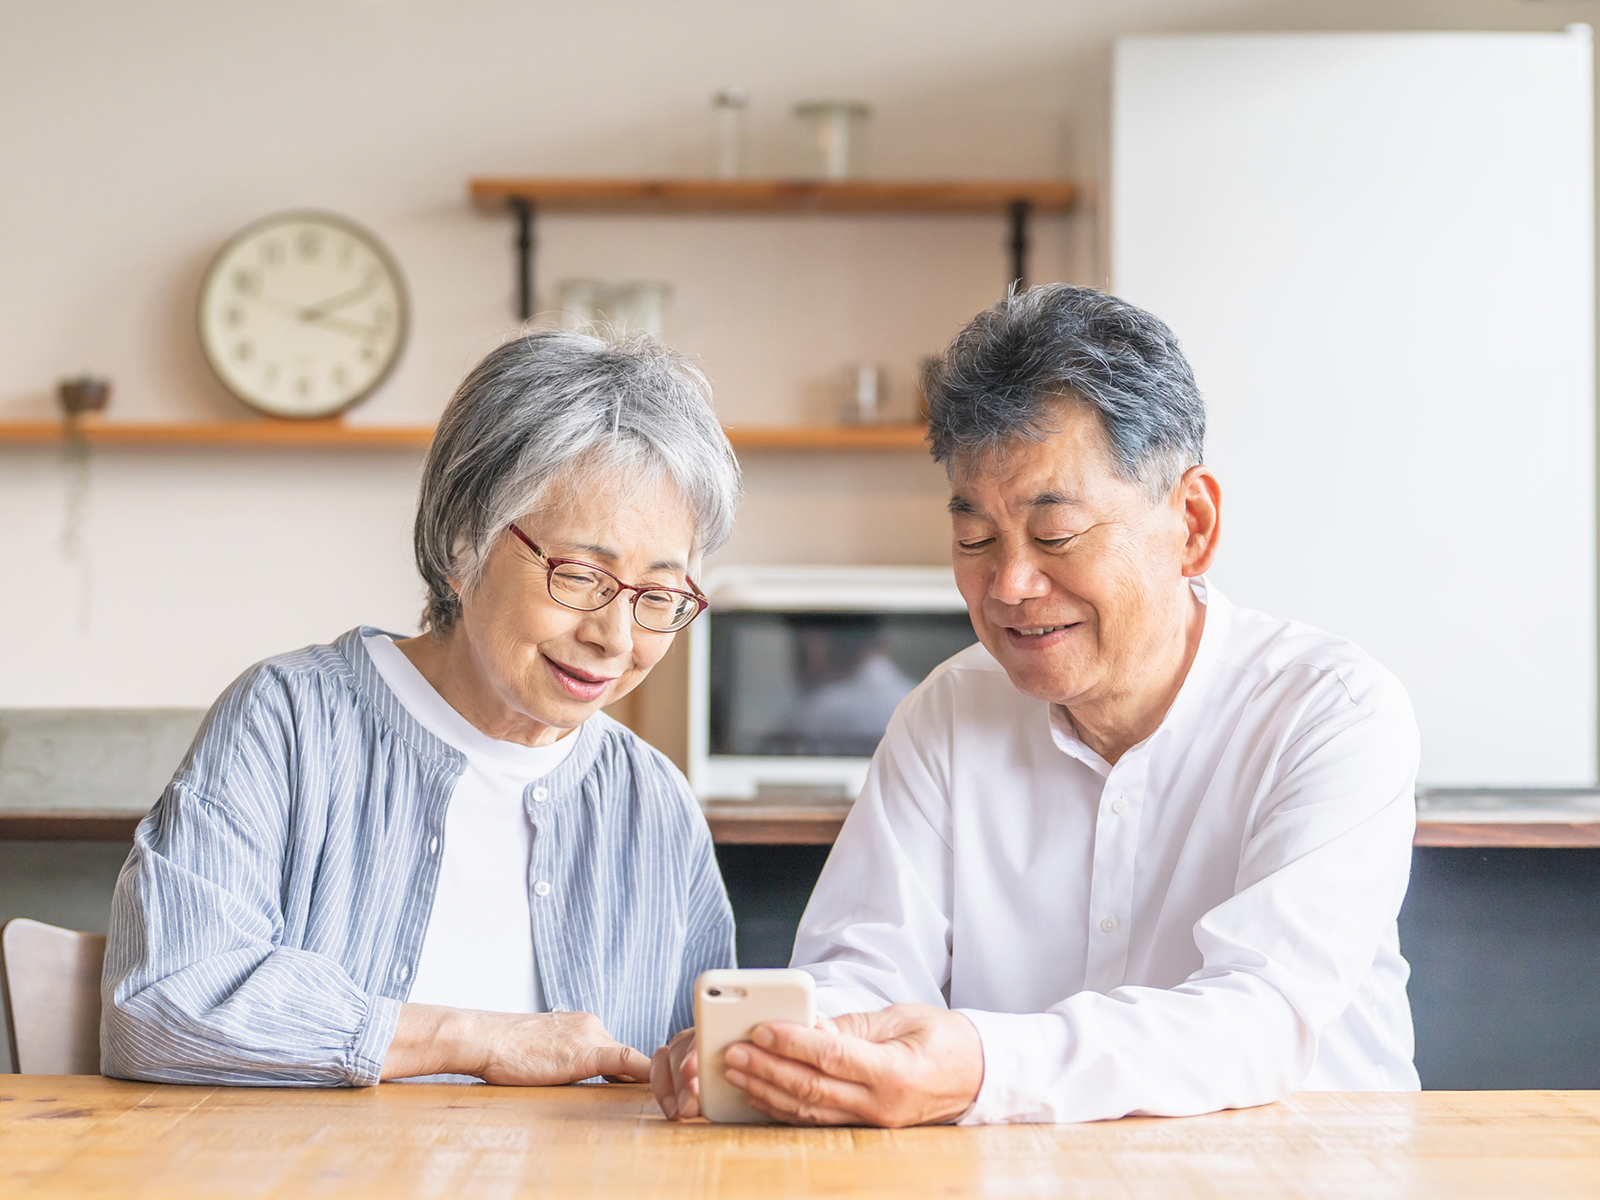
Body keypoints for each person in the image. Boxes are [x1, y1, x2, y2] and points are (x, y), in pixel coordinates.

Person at [653, 284, 1419, 1125]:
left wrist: (982, 1066)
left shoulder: (1330, 713)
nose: (1010, 584)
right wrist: (792, 1052)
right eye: (976, 538)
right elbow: (862, 970)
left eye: (1055, 535)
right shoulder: (949, 712)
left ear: (1192, 523)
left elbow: (1260, 1017)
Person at [103, 330, 741, 1087]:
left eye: (659, 597)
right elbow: (161, 1005)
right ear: (463, 541)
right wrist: (478, 1039)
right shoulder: (287, 723)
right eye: (578, 576)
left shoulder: (652, 802)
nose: (614, 636)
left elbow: (707, 1065)